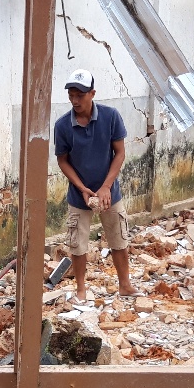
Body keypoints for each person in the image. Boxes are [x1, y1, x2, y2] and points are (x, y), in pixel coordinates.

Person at [53, 68, 139, 302]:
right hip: (78, 194)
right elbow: (63, 161)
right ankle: (81, 289)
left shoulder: (111, 117)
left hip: (109, 192)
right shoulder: (62, 126)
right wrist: (82, 188)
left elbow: (119, 153)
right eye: (71, 95)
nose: (75, 100)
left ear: (92, 93)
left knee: (119, 238)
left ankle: (125, 285)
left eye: (80, 95)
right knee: (78, 244)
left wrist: (106, 187)